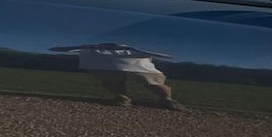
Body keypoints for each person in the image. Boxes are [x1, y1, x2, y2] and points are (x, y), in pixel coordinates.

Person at [51, 42, 179, 109]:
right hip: (104, 62)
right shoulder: (94, 50)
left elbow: (160, 55)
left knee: (152, 82)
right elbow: (62, 49)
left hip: (135, 62)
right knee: (111, 80)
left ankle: (167, 100)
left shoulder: (131, 52)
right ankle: (122, 97)